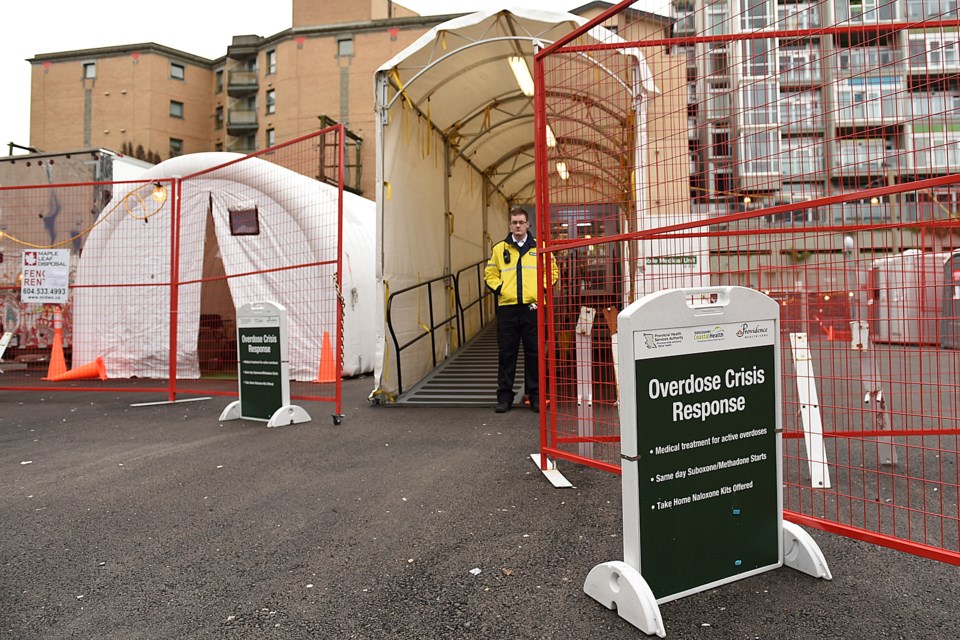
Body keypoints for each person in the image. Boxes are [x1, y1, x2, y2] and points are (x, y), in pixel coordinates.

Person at [484, 207, 559, 413]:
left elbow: (552, 271)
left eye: (521, 222)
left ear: (528, 225)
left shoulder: (539, 247)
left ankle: (534, 396)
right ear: (510, 225)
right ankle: (505, 397)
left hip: (532, 308)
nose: (517, 225)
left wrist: (541, 288)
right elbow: (489, 274)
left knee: (534, 354)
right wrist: (501, 289)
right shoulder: (500, 249)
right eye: (514, 222)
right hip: (507, 309)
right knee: (506, 354)